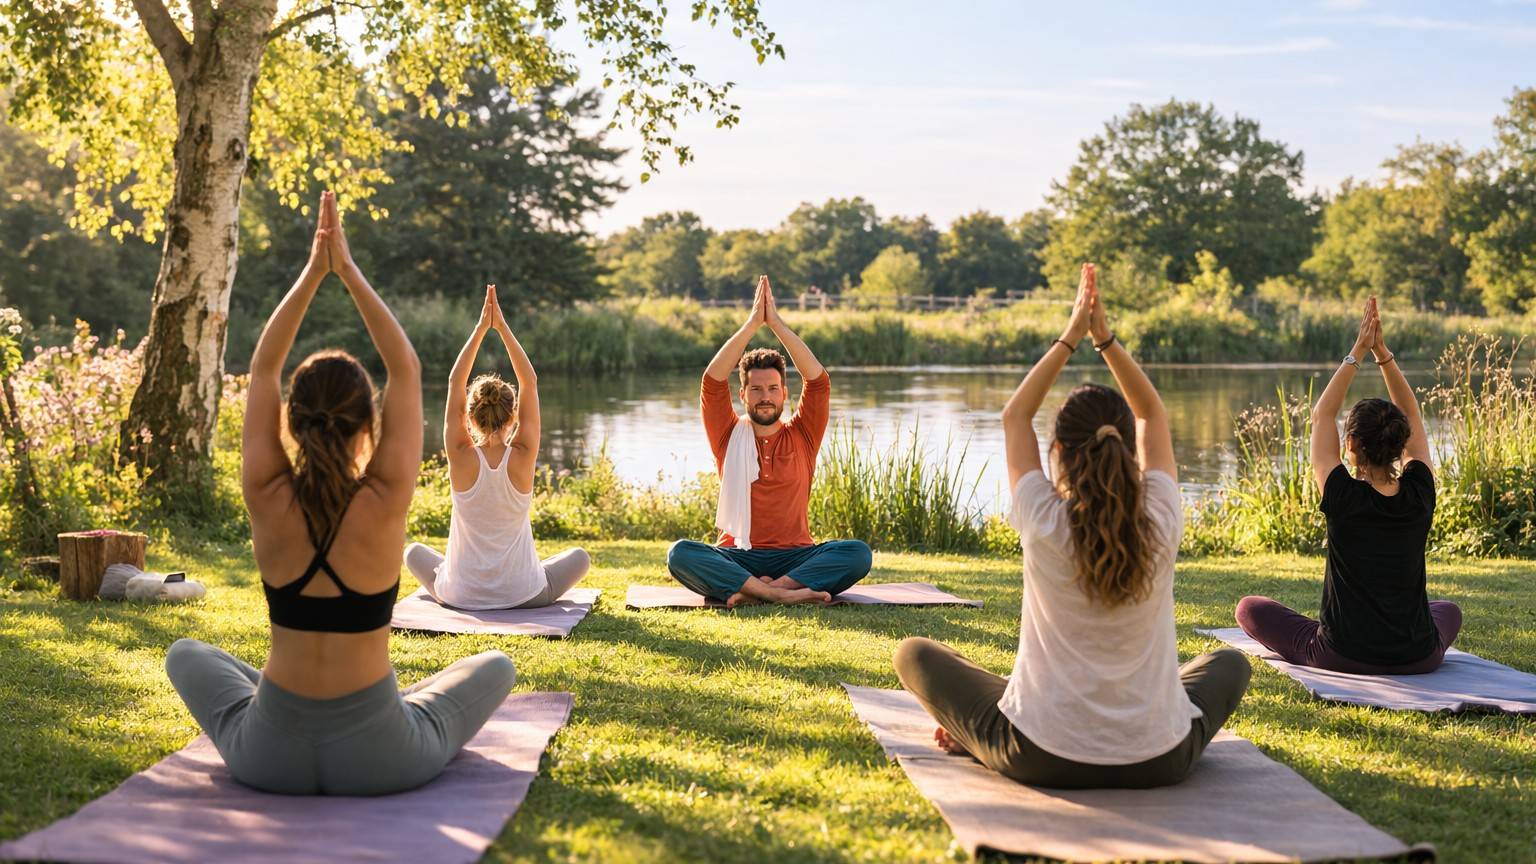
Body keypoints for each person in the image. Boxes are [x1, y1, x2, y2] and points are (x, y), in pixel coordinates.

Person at [164, 192, 515, 796]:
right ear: (367, 425)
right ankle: (389, 709)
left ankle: (276, 707)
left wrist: (311, 274)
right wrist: (346, 271)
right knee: (496, 666)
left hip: (267, 756)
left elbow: (264, 368)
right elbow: (404, 368)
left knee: (185, 654)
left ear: (292, 422)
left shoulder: (267, 494)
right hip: (382, 759)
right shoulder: (383, 499)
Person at [893, 263, 1250, 789]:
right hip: (1160, 759)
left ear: (1057, 449)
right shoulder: (1161, 513)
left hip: (1038, 753)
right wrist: (1105, 339)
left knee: (914, 653)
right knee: (1229, 663)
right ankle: (1130, 712)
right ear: (1128, 446)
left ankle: (978, 734)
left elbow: (1015, 416)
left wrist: (1070, 336)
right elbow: (1152, 413)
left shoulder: (1042, 515)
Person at [1235, 297, 1462, 674]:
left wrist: (1358, 349)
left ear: (1351, 444)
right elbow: (1414, 414)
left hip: (1341, 654)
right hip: (1418, 656)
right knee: (1448, 610)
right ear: (1399, 442)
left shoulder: (1342, 494)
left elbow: (1322, 413)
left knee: (1249, 608)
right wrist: (1383, 353)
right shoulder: (1419, 491)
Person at [666, 275, 872, 607]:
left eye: (773, 389)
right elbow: (712, 381)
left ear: (785, 394)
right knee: (680, 554)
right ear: (743, 394)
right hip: (737, 555)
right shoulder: (728, 435)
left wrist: (775, 323)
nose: (765, 397)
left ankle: (759, 592)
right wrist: (751, 324)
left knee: (857, 554)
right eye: (757, 389)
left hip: (796, 557)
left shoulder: (803, 434)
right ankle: (780, 595)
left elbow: (818, 381)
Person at [404, 285, 590, 609]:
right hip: (524, 594)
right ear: (513, 414)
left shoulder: (460, 453)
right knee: (580, 558)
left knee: (412, 552)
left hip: (459, 595)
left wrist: (480, 330)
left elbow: (454, 383)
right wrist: (502, 328)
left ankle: (461, 582)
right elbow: (529, 380)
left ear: (471, 418)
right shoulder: (523, 453)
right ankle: (518, 577)